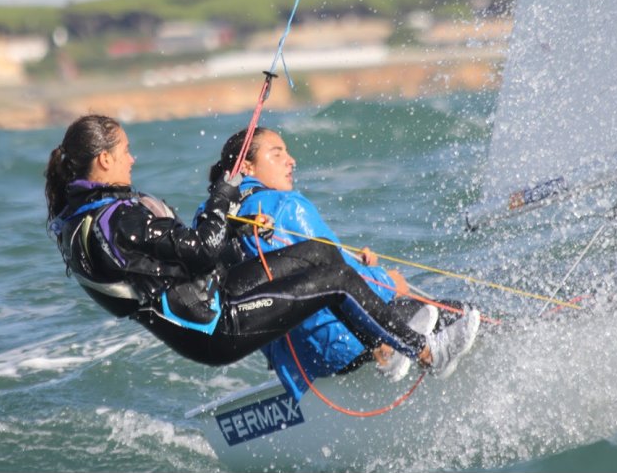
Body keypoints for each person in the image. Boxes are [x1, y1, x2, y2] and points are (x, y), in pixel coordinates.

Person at [45, 114, 478, 372]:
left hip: (212, 299)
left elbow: (181, 258)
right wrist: (223, 196)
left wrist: (234, 224)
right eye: (125, 152)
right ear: (104, 159)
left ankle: (383, 342)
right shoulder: (116, 219)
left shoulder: (82, 218)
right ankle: (424, 352)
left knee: (320, 255)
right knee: (335, 278)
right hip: (215, 327)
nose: (131, 159)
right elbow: (199, 250)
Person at [204, 127, 480, 398]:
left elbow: (293, 271)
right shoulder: (285, 206)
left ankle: (391, 352)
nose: (291, 160)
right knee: (459, 313)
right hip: (344, 343)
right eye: (277, 154)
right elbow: (341, 279)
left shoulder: (212, 222)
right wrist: (388, 282)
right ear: (247, 167)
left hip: (297, 361)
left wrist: (362, 264)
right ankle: (409, 352)